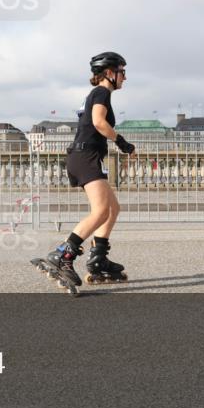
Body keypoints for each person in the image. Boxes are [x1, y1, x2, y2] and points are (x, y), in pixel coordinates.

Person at [36, 51, 135, 289]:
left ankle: (98, 257)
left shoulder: (98, 93)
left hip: (86, 156)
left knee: (112, 208)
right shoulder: (101, 92)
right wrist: (121, 142)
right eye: (122, 72)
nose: (125, 77)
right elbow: (99, 122)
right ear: (109, 73)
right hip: (85, 156)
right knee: (101, 211)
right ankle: (62, 256)